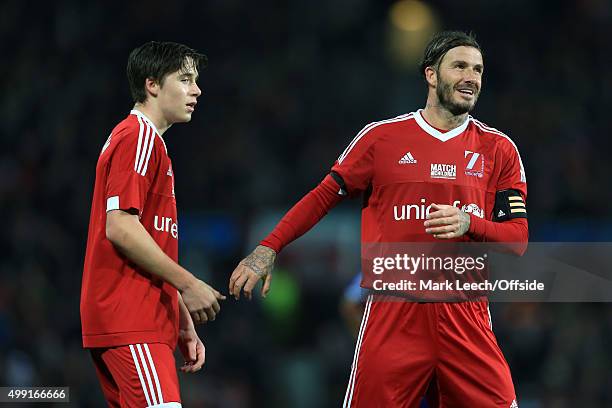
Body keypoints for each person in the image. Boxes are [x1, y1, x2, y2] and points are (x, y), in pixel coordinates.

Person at [230, 30, 528, 407]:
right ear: (431, 75)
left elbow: (517, 240)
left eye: (479, 69)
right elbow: (323, 196)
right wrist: (270, 246)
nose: (471, 76)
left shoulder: (499, 149)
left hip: (464, 315)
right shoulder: (381, 138)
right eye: (460, 66)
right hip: (393, 312)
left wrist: (470, 224)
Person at [81, 41, 225, 407]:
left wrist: (177, 316)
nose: (197, 90)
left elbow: (149, 244)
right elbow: (121, 227)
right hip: (132, 319)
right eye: (185, 79)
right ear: (152, 85)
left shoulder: (146, 143)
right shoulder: (139, 137)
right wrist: (188, 283)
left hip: (137, 321)